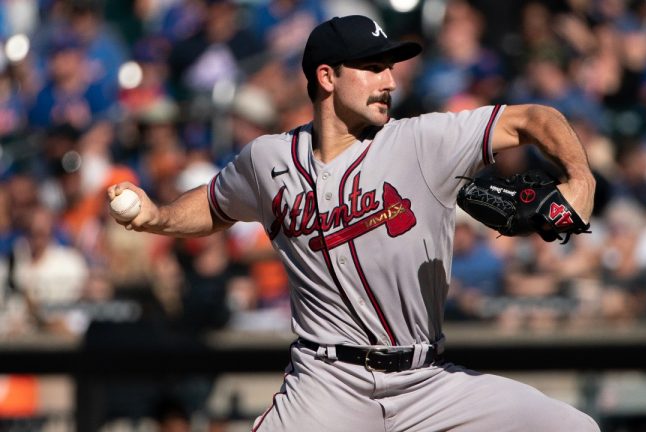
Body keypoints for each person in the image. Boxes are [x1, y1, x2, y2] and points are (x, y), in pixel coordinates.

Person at [107, 15, 599, 432]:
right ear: (326, 76)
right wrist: (158, 217)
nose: (389, 80)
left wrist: (580, 179)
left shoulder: (422, 141)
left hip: (427, 383)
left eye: (391, 67)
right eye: (373, 67)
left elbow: (533, 118)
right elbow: (217, 204)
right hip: (326, 385)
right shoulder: (268, 159)